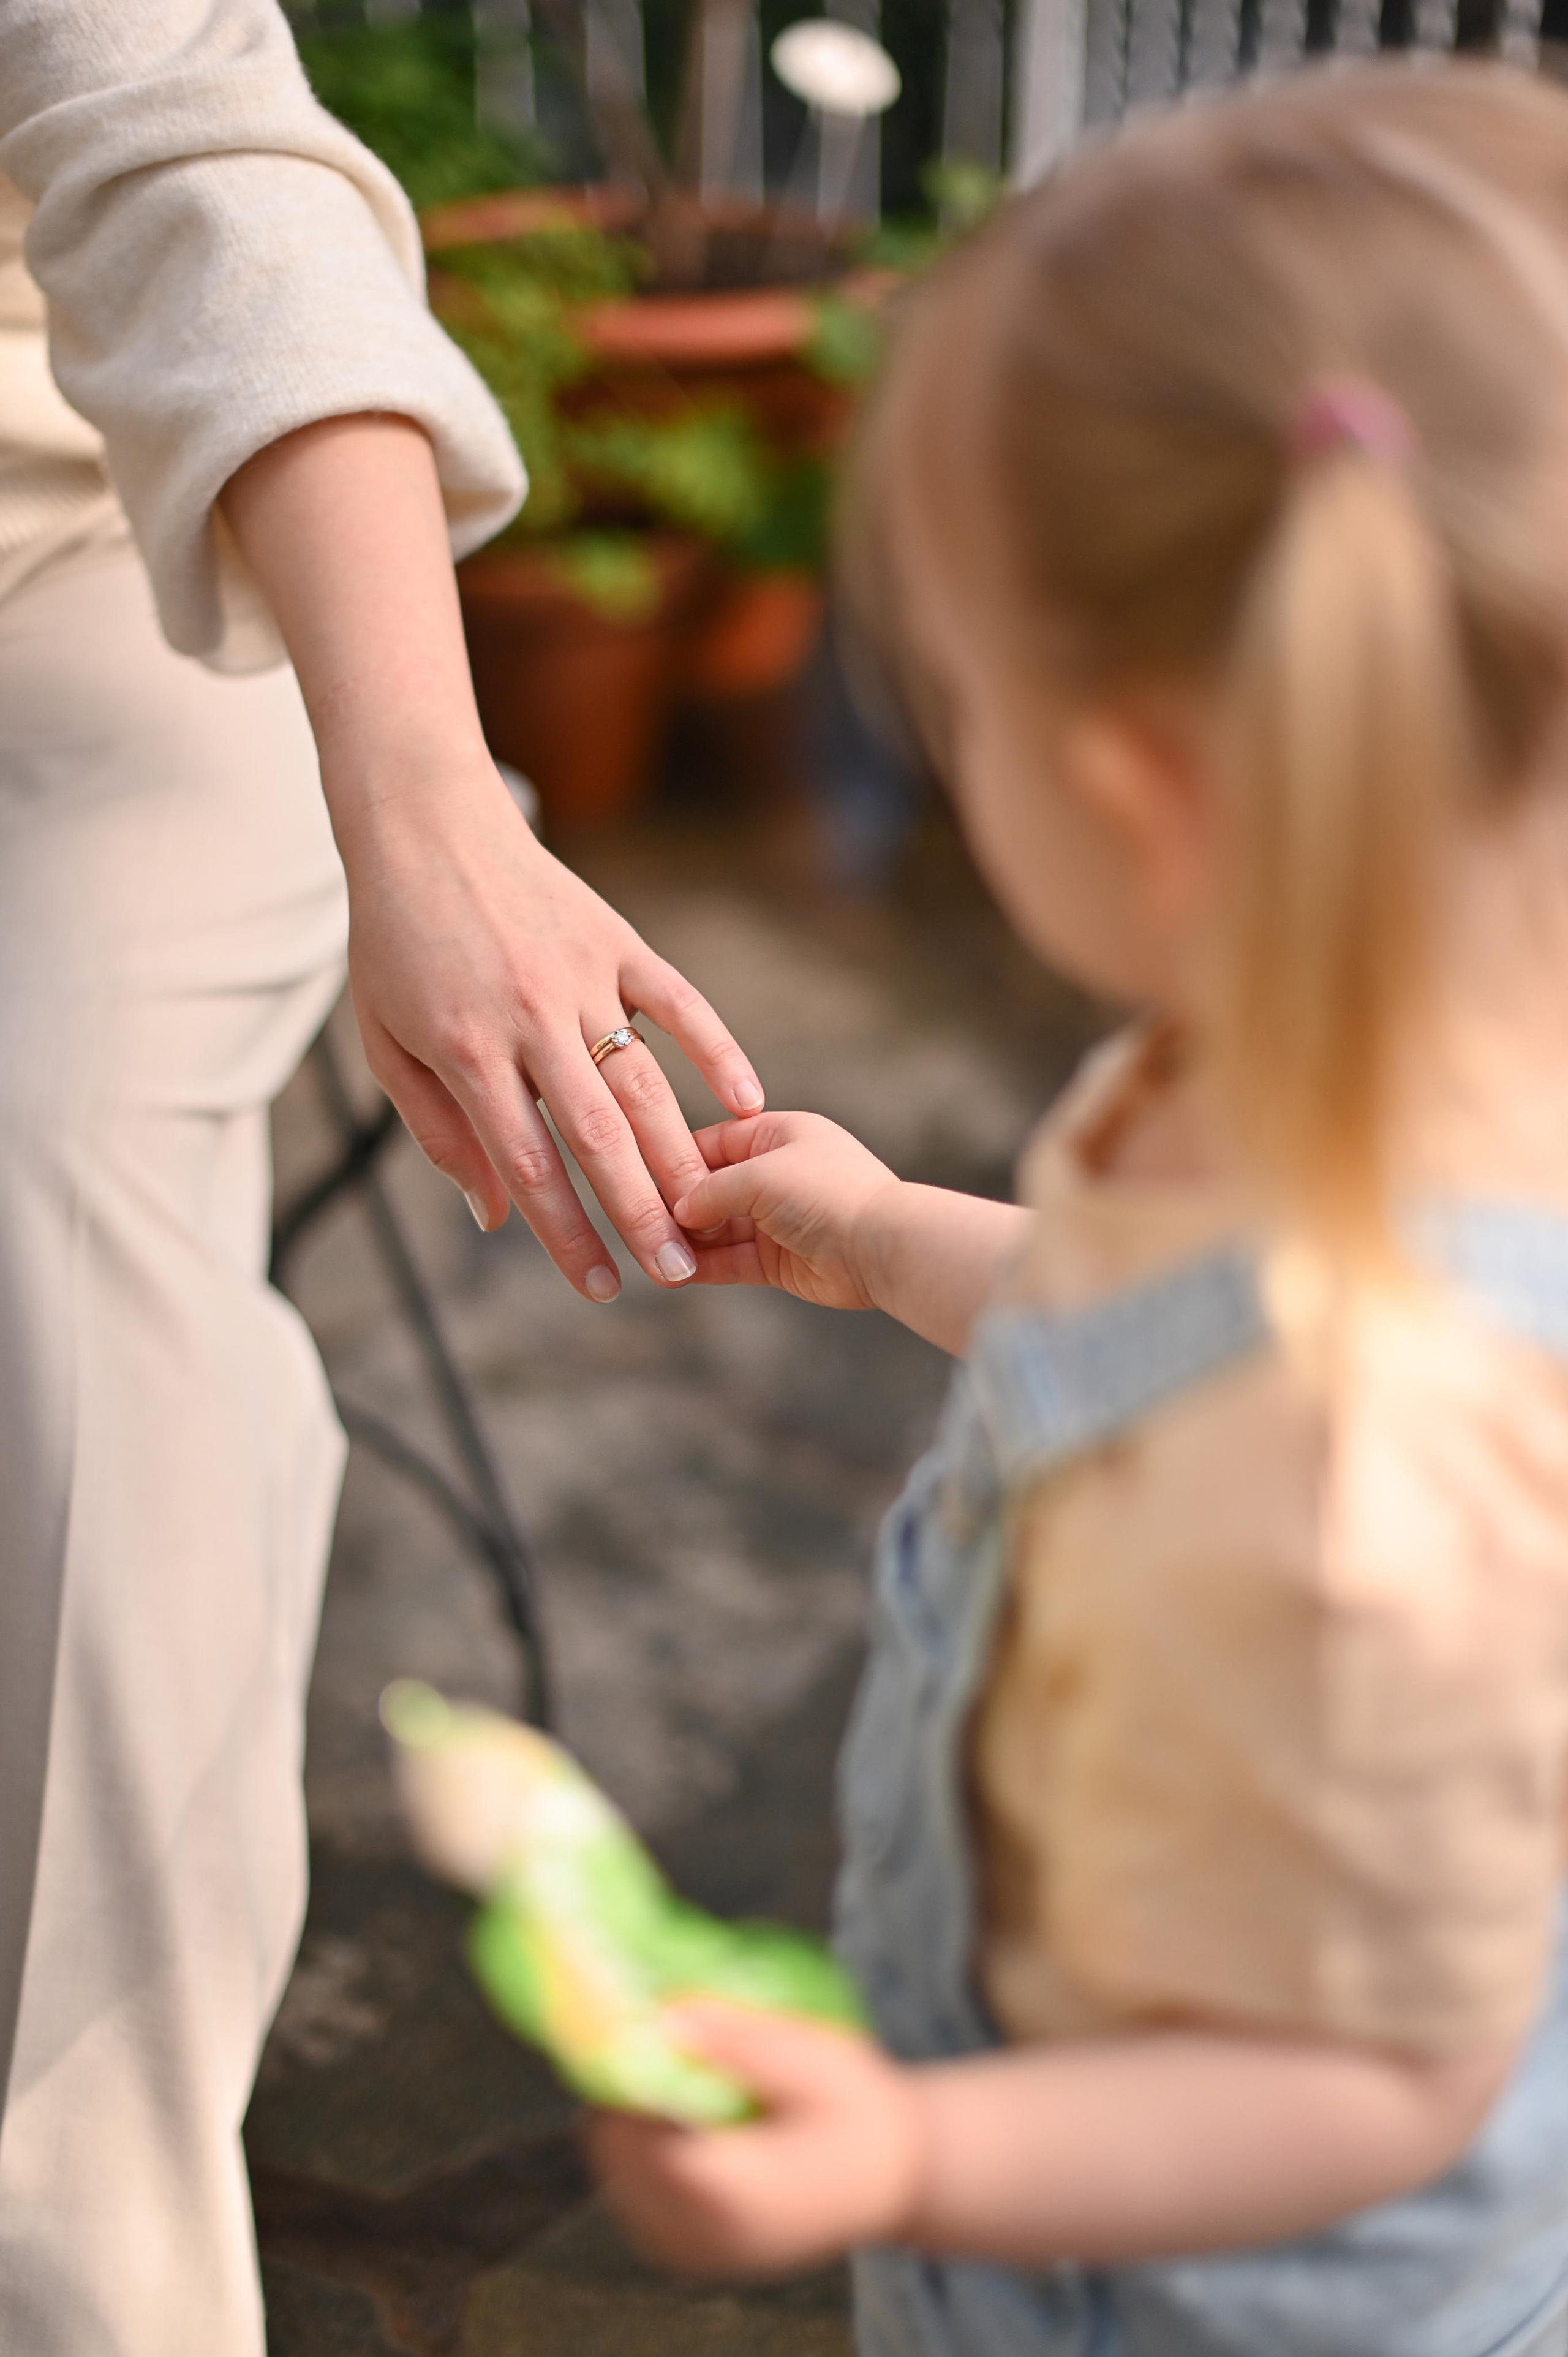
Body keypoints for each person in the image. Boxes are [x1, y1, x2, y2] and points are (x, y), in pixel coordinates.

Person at [589, 61, 1568, 2357]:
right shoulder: (1304, 1085)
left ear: (1130, 786)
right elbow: (1160, 1331)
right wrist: (879, 1234)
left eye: (954, 701)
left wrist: (917, 2160)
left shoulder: (1377, 1470)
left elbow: (1373, 2080)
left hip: (1204, 2294)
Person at [0, 5, 762, 2351]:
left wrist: (419, 792)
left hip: (90, 573)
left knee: (57, 1232)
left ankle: (98, 2289)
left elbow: (198, 158)